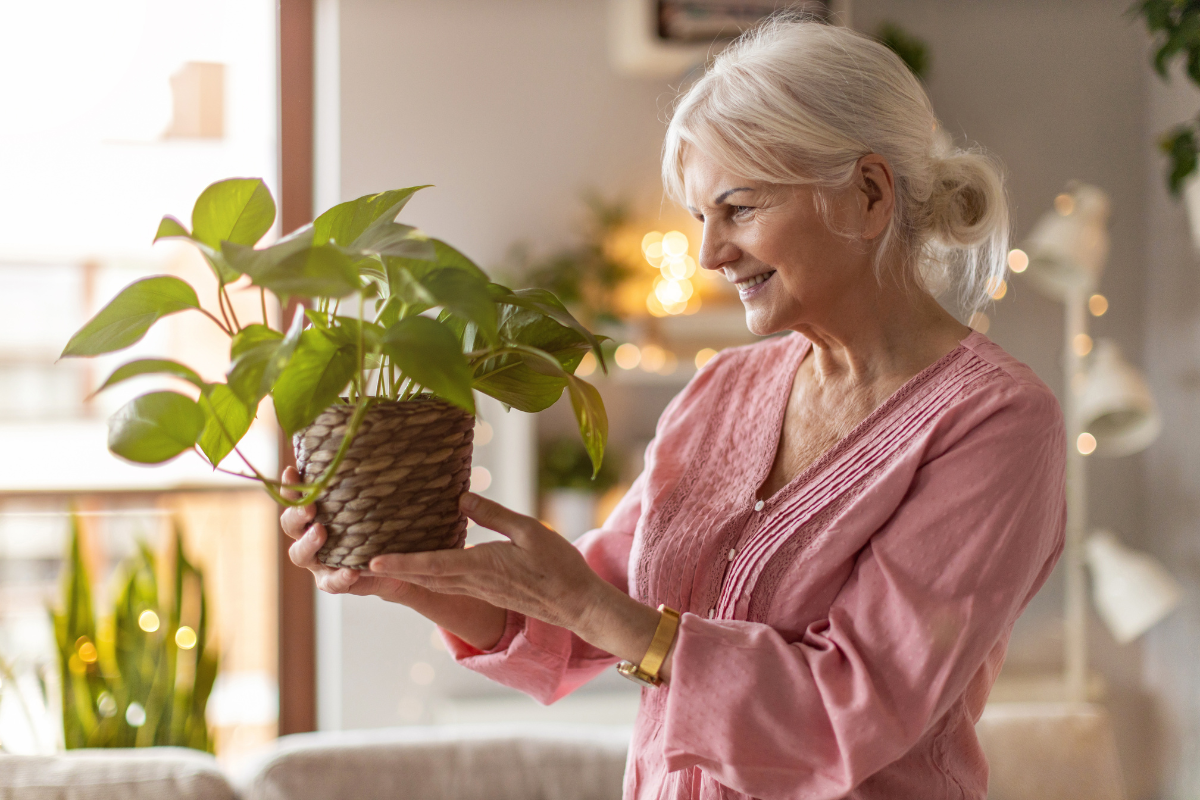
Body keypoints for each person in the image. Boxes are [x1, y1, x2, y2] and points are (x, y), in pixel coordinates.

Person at [282, 17, 1065, 800]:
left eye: (741, 208)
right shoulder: (722, 389)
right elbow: (580, 619)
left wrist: (593, 607)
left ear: (867, 194)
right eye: (701, 218)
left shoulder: (997, 425)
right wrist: (398, 573)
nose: (709, 255)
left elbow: (851, 708)